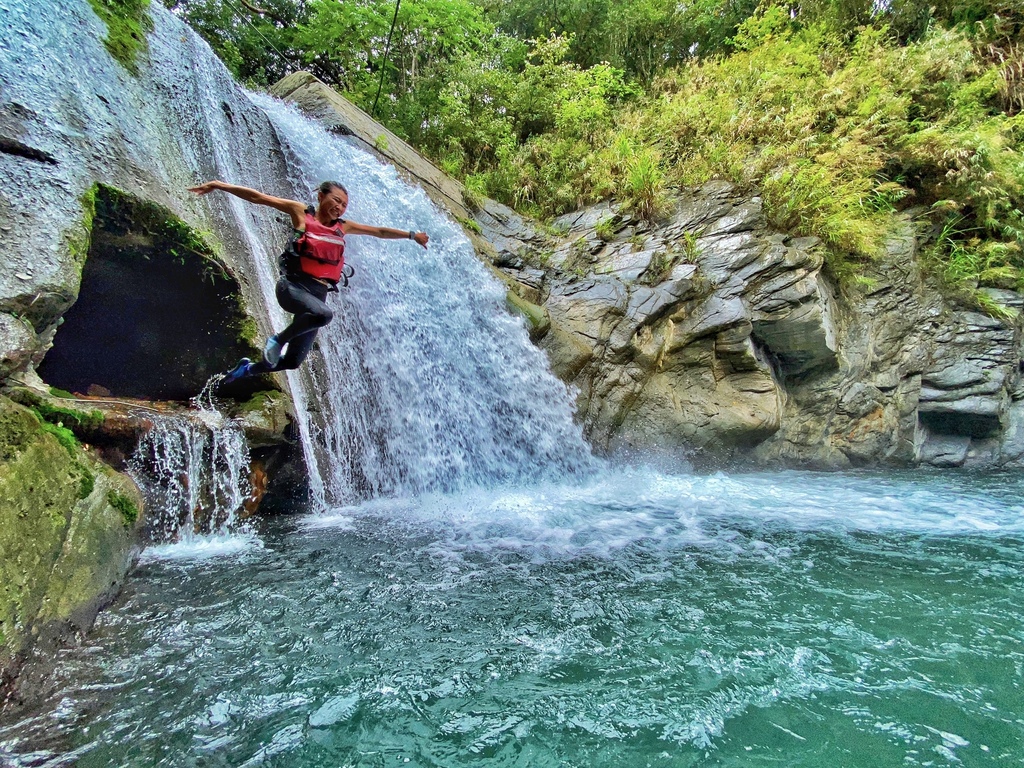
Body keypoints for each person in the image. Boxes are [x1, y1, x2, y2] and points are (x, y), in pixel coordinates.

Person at [188, 179, 429, 382]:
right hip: (292, 287)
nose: (339, 207)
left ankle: (247, 369)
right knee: (324, 315)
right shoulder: (301, 212)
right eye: (336, 200)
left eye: (344, 205)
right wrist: (219, 185)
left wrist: (411, 235)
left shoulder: (343, 227)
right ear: (321, 196)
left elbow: (379, 232)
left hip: (318, 295)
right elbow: (258, 197)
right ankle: (277, 340)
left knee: (293, 361)